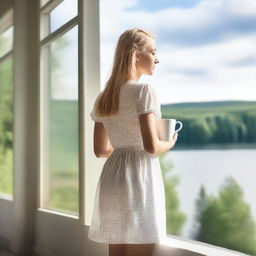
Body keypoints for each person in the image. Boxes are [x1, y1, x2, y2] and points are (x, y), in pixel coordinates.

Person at [88, 28, 178, 256]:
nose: (157, 59)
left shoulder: (105, 96)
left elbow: (100, 150)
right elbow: (151, 147)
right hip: (140, 176)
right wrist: (170, 142)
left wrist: (123, 147)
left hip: (113, 175)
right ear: (137, 55)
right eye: (153, 52)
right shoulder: (144, 91)